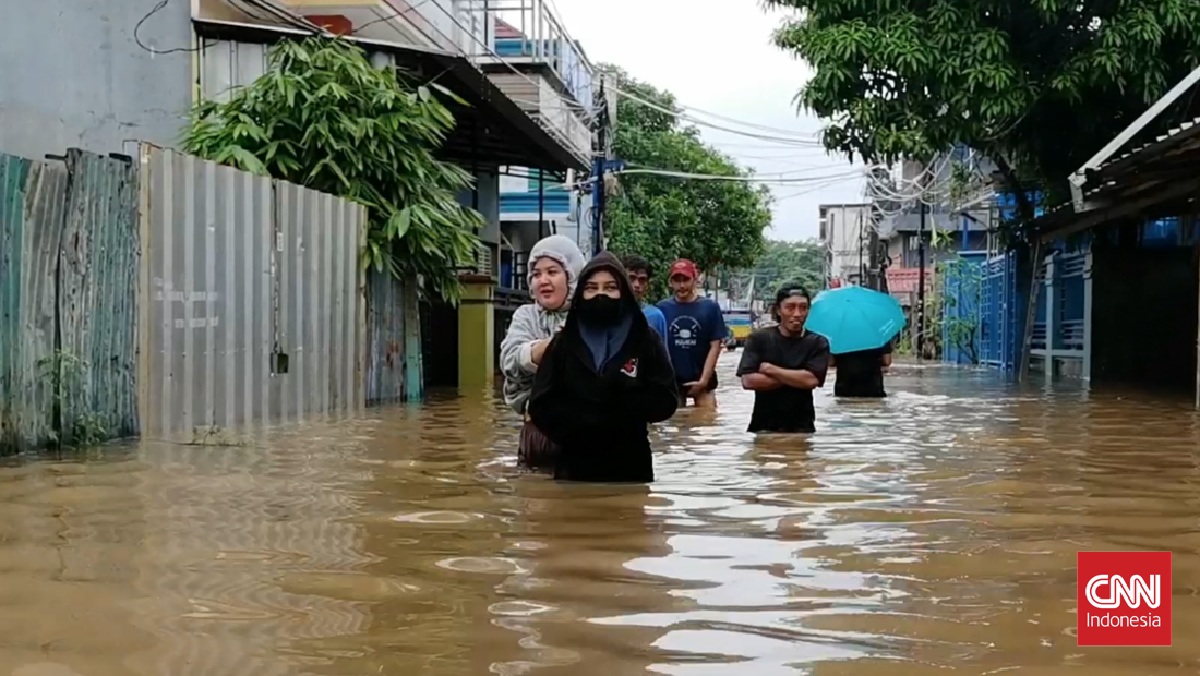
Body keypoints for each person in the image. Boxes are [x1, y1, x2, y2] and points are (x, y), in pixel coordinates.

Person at [527, 252, 678, 482]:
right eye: (592, 288)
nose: (600, 294)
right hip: (574, 466)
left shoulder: (645, 339)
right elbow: (540, 403)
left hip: (631, 465)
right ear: (581, 294)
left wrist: (622, 404)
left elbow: (666, 398)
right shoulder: (565, 342)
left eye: (610, 288)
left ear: (623, 293)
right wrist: (578, 422)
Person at [499, 235, 587, 470]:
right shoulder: (526, 316)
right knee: (534, 497)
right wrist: (553, 345)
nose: (543, 280)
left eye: (552, 272)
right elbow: (509, 360)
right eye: (536, 274)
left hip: (585, 437)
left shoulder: (590, 316)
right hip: (537, 435)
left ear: (572, 275)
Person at [736, 282, 831, 433]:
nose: (797, 314)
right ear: (778, 310)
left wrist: (771, 370)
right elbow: (748, 381)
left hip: (802, 428)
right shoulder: (759, 338)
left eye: (803, 308)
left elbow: (812, 381)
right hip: (763, 427)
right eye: (790, 307)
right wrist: (796, 377)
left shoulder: (817, 342)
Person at [657, 259, 726, 408]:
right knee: (674, 425)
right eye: (677, 280)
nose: (681, 286)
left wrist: (704, 380)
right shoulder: (662, 309)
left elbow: (715, 345)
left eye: (686, 280)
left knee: (707, 424)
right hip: (673, 382)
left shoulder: (710, 307)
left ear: (695, 280)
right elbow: (657, 346)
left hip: (704, 381)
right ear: (670, 282)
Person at [620, 254, 669, 345]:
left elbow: (662, 356)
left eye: (642, 280)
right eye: (631, 278)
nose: (637, 285)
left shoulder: (655, 316)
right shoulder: (608, 314)